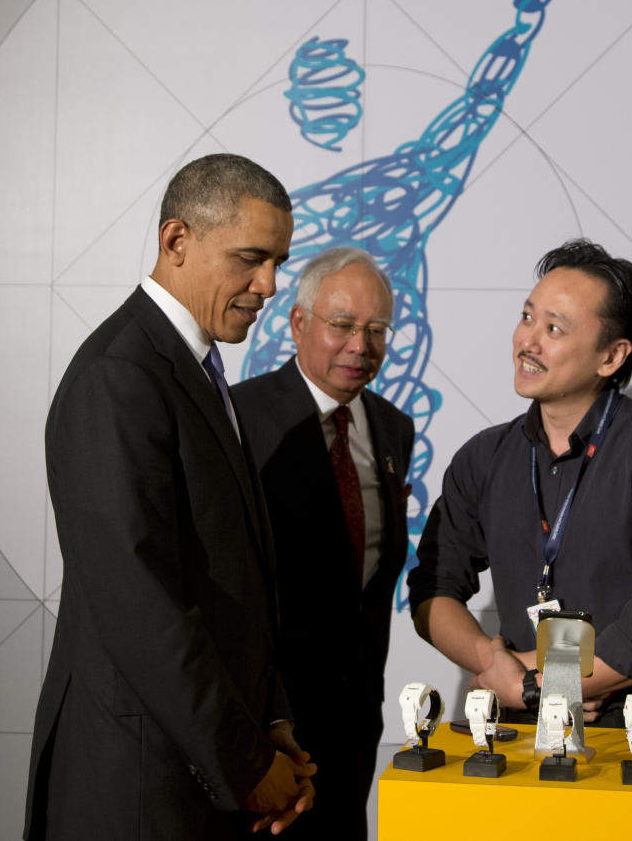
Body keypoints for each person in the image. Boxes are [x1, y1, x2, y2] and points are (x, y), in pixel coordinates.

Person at [24, 154, 315, 840]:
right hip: (140, 786)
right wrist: (247, 763)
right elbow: (140, 604)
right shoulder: (117, 377)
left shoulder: (194, 368)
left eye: (277, 261)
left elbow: (235, 580)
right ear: (177, 240)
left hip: (201, 772)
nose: (269, 284)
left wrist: (271, 723)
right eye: (251, 258)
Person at [407, 238, 632, 729]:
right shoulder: (484, 457)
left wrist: (543, 683)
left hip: (631, 735)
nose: (528, 342)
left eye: (554, 328)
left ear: (611, 356)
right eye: (527, 317)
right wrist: (497, 670)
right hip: (513, 728)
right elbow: (433, 588)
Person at [231, 246, 414, 840]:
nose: (361, 346)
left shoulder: (392, 427)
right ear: (298, 323)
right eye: (341, 326)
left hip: (355, 719)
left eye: (377, 330)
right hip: (265, 723)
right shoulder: (239, 417)